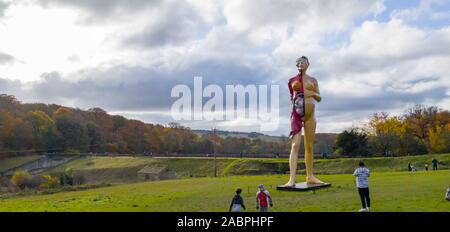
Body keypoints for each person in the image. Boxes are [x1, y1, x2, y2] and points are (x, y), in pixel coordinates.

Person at [283, 56, 324, 187]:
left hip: (310, 116)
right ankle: (291, 180)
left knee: (309, 146)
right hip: (296, 114)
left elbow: (319, 97)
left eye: (303, 62)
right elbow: (292, 97)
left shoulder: (313, 80)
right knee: (295, 146)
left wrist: (310, 94)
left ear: (308, 64)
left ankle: (310, 176)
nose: (301, 63)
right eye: (298, 62)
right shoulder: (292, 80)